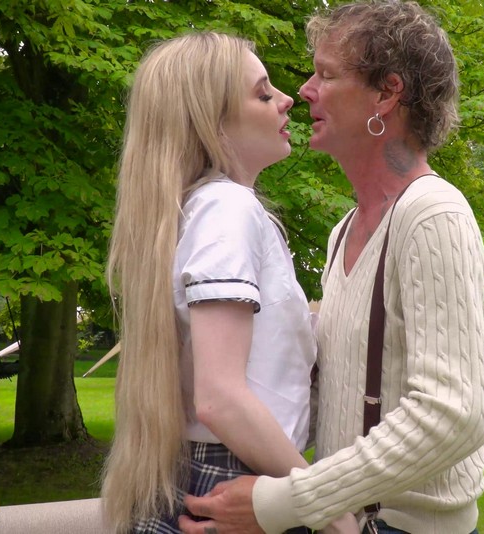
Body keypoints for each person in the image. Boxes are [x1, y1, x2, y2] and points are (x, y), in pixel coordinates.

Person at [180, 2, 484, 533]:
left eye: (325, 75)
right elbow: (338, 394)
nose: (304, 91)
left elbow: (453, 416)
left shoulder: (432, 214)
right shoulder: (344, 231)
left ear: (386, 94)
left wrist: (287, 502)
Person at [101, 32, 355, 534]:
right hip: (237, 475)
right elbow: (220, 398)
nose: (287, 99)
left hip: (206, 469)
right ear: (210, 124)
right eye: (262, 93)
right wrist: (328, 510)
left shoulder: (198, 210)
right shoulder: (227, 208)